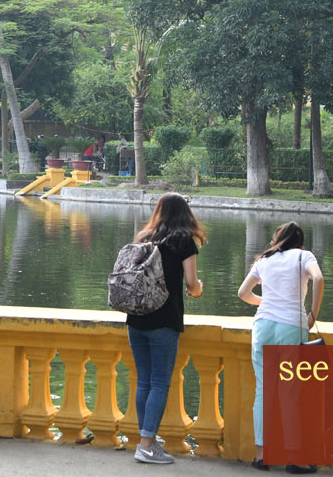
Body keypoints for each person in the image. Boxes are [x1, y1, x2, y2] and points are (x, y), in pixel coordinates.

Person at [126, 193, 206, 465]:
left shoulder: (144, 237)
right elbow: (192, 283)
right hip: (164, 320)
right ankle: (147, 445)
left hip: (136, 319)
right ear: (185, 214)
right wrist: (197, 292)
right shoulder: (183, 241)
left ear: (159, 212)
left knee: (144, 381)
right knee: (159, 382)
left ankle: (144, 441)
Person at [237, 222, 324, 474]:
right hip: (291, 327)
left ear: (277, 239)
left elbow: (243, 292)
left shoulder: (265, 259)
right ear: (301, 241)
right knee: (289, 396)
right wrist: (312, 315)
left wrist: (268, 301)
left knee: (263, 392)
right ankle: (294, 459)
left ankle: (261, 456)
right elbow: (318, 278)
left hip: (263, 326)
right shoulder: (304, 256)